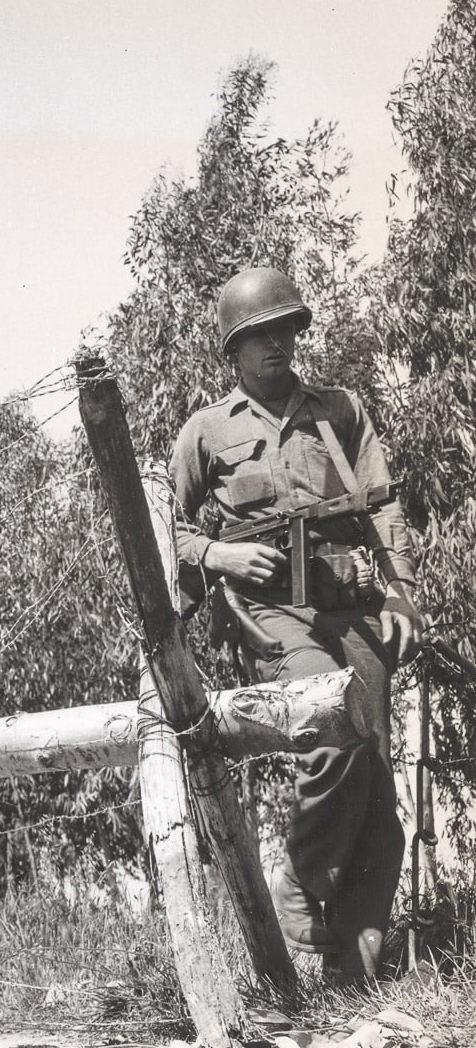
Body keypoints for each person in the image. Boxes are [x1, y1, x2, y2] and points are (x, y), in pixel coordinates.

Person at [169, 267, 422, 982]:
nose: (278, 344)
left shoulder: (340, 411)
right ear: (235, 350)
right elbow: (167, 532)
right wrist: (218, 551)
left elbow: (383, 509)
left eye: (286, 329)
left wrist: (403, 595)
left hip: (351, 607)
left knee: (375, 786)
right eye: (261, 335)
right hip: (269, 615)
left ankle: (353, 972)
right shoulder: (206, 432)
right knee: (330, 723)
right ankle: (300, 886)